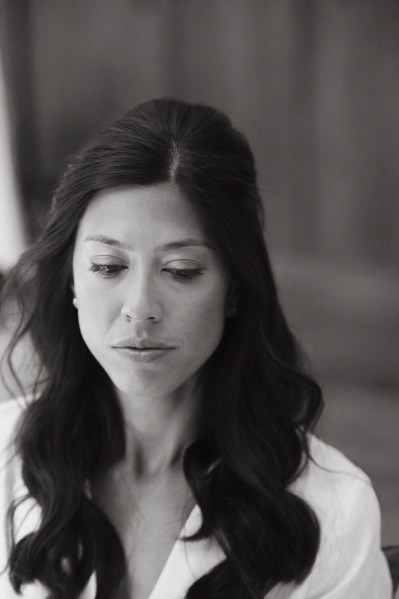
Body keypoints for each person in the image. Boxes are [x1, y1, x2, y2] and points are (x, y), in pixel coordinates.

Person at [0, 98, 392, 599]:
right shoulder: (9, 454)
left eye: (181, 270)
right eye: (107, 267)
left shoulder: (333, 509)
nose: (139, 308)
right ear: (72, 280)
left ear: (235, 288)